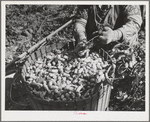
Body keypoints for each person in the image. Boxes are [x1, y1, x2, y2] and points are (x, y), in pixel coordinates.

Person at [73, 5, 143, 56]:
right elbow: (80, 22)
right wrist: (81, 39)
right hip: (95, 52)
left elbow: (134, 23)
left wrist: (114, 35)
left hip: (123, 51)